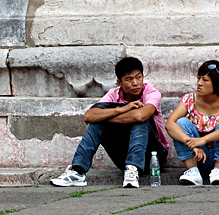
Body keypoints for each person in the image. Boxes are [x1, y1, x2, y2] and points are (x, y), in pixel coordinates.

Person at [50, 56, 169, 188]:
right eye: (129, 79)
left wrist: (107, 117)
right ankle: (77, 172)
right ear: (119, 82)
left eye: (138, 77)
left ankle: (133, 169)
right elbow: (89, 116)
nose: (135, 83)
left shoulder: (151, 93)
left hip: (154, 156)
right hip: (123, 158)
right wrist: (123, 109)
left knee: (139, 121)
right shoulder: (113, 94)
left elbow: (140, 116)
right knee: (97, 122)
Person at [166, 60, 219, 185]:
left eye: (205, 80)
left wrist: (203, 140)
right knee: (181, 122)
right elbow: (170, 124)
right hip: (200, 158)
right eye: (198, 79)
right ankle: (193, 171)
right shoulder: (190, 99)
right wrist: (192, 143)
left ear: (218, 83)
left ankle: (218, 172)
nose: (199, 83)